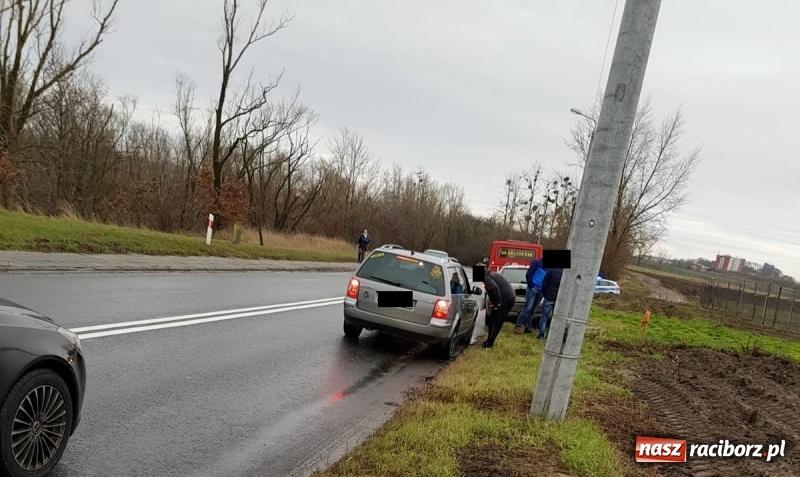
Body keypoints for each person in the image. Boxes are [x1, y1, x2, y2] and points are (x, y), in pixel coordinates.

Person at [482, 271, 515, 348]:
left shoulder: (487, 278)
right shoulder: (491, 275)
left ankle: (489, 343)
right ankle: (489, 340)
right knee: (493, 320)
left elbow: (495, 288)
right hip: (507, 298)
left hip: (506, 300)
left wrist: (497, 303)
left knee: (495, 321)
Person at [514, 258, 545, 334]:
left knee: (533, 310)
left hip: (541, 291)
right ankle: (517, 326)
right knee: (527, 308)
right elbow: (529, 274)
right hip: (532, 289)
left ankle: (527, 327)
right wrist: (531, 286)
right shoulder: (536, 263)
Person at [537, 267, 564, 339]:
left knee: (544, 317)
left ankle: (541, 335)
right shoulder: (565, 272)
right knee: (555, 318)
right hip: (559, 299)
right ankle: (550, 336)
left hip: (549, 297)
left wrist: (545, 294)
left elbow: (544, 283)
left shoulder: (550, 270)